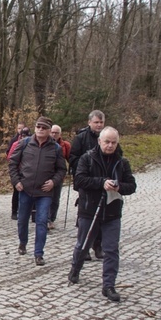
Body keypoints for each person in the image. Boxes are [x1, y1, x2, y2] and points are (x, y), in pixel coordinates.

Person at [67, 127, 136, 302]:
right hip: (89, 210)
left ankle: (109, 285)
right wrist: (101, 183)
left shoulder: (122, 162)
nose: (110, 145)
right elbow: (80, 180)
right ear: (100, 141)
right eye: (107, 142)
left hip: (112, 212)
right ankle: (75, 268)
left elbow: (132, 185)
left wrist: (119, 186)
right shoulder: (87, 158)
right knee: (83, 245)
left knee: (111, 249)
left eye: (113, 142)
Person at [7, 116, 66, 265]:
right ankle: (23, 242)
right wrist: (16, 181)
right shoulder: (24, 143)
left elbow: (61, 170)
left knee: (41, 222)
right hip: (25, 189)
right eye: (38, 127)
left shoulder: (56, 148)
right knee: (22, 220)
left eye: (44, 128)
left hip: (44, 192)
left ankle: (39, 253)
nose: (40, 130)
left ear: (49, 131)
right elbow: (13, 163)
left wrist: (53, 182)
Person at [69, 110, 121, 260]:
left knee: (103, 214)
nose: (99, 125)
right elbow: (72, 157)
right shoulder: (80, 138)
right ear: (89, 122)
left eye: (101, 122)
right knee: (85, 213)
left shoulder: (109, 137)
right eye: (96, 122)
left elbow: (119, 158)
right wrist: (86, 166)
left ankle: (98, 246)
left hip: (106, 182)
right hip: (86, 181)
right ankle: (83, 247)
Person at [48, 124, 71, 230]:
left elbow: (70, 158)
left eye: (56, 133)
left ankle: (51, 219)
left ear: (60, 134)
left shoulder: (65, 145)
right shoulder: (45, 143)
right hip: (45, 175)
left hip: (58, 176)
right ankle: (44, 219)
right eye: (52, 132)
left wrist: (72, 168)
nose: (54, 134)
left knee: (55, 199)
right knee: (44, 198)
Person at [7, 122, 30, 220]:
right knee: (16, 191)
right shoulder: (15, 143)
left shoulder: (31, 144)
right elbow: (10, 157)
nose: (24, 137)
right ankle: (14, 211)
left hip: (28, 171)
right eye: (22, 135)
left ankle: (28, 212)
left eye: (26, 135)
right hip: (17, 171)